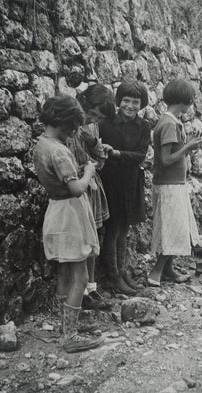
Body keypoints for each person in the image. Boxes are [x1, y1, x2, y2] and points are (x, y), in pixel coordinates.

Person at [33, 94, 102, 353]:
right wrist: (88, 172)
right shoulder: (60, 151)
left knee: (65, 271)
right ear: (65, 123)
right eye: (73, 126)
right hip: (70, 214)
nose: (75, 131)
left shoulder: (42, 144)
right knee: (81, 277)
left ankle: (65, 324)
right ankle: (70, 336)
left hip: (56, 210)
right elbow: (75, 189)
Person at [147, 78, 202, 287]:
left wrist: (189, 144)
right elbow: (166, 159)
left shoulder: (171, 121)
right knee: (172, 229)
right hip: (169, 185)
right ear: (187, 101)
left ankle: (168, 269)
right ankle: (156, 271)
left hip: (174, 184)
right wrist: (188, 147)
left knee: (176, 226)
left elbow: (174, 153)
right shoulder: (169, 124)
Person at [99, 81, 151, 295]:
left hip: (131, 182)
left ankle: (122, 271)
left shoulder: (144, 126)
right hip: (111, 181)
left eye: (135, 102)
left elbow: (140, 155)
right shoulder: (106, 124)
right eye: (126, 101)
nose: (130, 106)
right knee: (112, 229)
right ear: (118, 101)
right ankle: (113, 276)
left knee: (124, 228)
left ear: (142, 104)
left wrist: (118, 154)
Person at [66, 84, 116, 310]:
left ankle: (92, 288)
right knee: (80, 242)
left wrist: (93, 142)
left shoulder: (90, 129)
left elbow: (102, 161)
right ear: (84, 104)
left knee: (93, 238)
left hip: (92, 189)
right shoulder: (68, 127)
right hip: (76, 190)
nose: (91, 119)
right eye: (92, 114)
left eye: (96, 118)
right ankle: (80, 291)